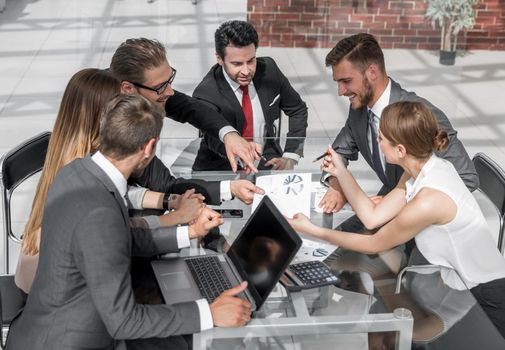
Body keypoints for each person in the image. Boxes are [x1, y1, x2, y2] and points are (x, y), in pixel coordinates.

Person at [6, 94, 252, 350]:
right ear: (148, 147)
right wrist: (209, 313)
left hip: (42, 325)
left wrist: (188, 232)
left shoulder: (75, 171)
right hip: (71, 340)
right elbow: (124, 321)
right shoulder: (99, 212)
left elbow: (118, 239)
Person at [289, 101, 505, 338]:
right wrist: (341, 171)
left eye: (380, 138)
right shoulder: (424, 169)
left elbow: (374, 243)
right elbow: (372, 218)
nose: (377, 143)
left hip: (486, 297)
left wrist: (312, 230)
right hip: (461, 285)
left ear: (400, 150)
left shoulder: (428, 201)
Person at [15, 68, 207, 296]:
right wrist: (177, 219)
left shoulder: (74, 153)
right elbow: (119, 233)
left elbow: (124, 193)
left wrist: (168, 201)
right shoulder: (83, 174)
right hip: (56, 289)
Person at [110, 37, 265, 204]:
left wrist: (230, 136)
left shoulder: (139, 90)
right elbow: (163, 184)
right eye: (161, 87)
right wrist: (231, 188)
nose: (170, 92)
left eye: (170, 80)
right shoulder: (112, 125)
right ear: (128, 89)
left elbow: (192, 108)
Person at [191, 20, 308, 171]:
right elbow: (212, 138)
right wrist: (242, 154)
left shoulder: (269, 69)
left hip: (268, 161)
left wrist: (291, 155)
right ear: (219, 59)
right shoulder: (206, 93)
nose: (246, 71)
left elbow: (297, 109)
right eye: (237, 64)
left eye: (251, 61)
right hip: (222, 167)